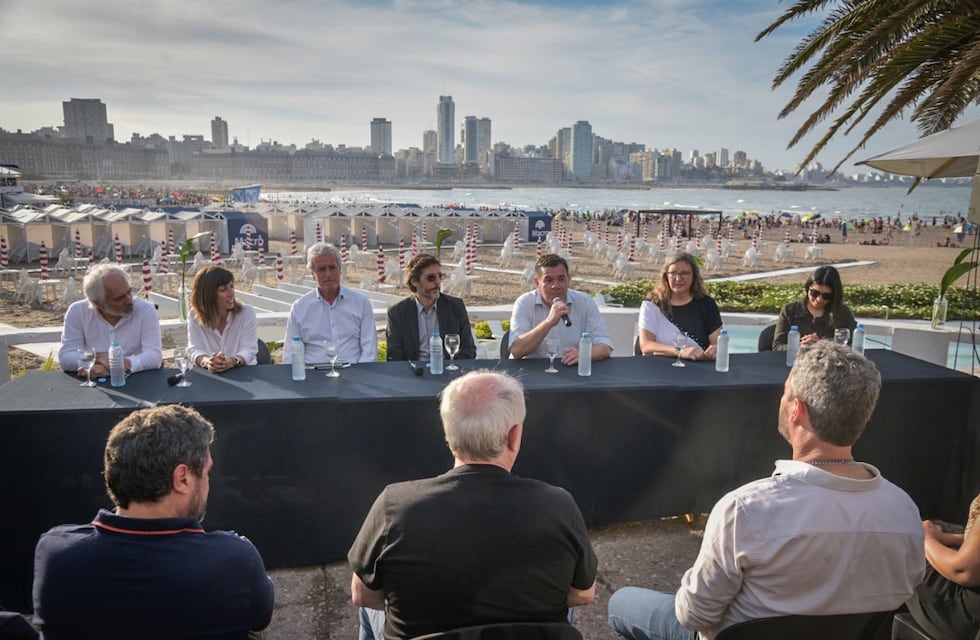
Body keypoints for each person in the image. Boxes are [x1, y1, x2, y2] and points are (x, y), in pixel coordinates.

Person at [607, 341, 925, 640]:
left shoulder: (745, 510)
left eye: (785, 393)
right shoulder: (904, 511)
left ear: (796, 410)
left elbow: (693, 615)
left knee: (621, 603)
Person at [348, 370, 598, 640]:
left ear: (448, 433)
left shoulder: (394, 506)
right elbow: (583, 594)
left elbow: (362, 595)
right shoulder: (558, 505)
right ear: (515, 436)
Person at [32, 405, 274, 639]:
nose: (208, 482)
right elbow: (260, 618)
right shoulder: (234, 558)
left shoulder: (54, 552)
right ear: (182, 478)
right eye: (207, 472)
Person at [58, 263, 163, 378]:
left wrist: (111, 368)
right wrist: (98, 357)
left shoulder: (145, 309)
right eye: (120, 298)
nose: (129, 300)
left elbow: (154, 357)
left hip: (138, 380)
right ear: (99, 303)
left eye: (129, 292)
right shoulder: (78, 312)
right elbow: (66, 358)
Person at [508, 254, 613, 365]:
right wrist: (549, 322)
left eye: (561, 279)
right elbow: (517, 350)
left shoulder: (585, 302)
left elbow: (605, 347)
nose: (556, 286)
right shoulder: (524, 303)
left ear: (568, 279)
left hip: (570, 369)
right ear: (537, 283)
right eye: (548, 280)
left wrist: (583, 354)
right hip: (531, 371)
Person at [283, 242, 377, 364]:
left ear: (340, 270)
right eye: (321, 269)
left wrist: (361, 377)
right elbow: (290, 354)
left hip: (355, 373)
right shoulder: (299, 308)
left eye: (332, 268)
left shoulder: (361, 302)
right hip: (313, 376)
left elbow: (369, 351)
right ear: (313, 274)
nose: (328, 274)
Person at [905, 494, 980, 638]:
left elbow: (964, 571)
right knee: (936, 525)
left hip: (964, 612)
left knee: (903, 535)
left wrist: (925, 538)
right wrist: (944, 538)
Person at [385, 253, 477, 362]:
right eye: (431, 278)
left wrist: (451, 369)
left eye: (440, 276)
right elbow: (394, 356)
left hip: (448, 372)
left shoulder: (455, 307)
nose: (437, 282)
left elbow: (468, 350)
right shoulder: (397, 313)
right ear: (414, 281)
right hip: (413, 373)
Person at [637, 252, 722, 361]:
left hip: (698, 369)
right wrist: (680, 351)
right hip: (658, 369)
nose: (678, 278)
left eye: (685, 273)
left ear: (694, 276)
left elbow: (717, 343)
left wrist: (716, 349)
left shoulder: (706, 304)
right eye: (673, 273)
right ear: (666, 276)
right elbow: (646, 346)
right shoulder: (651, 305)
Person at [187, 265, 258, 372]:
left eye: (231, 287)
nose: (231, 293)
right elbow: (195, 350)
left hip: (245, 374)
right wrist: (208, 362)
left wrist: (232, 362)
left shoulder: (246, 313)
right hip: (210, 378)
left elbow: (249, 350)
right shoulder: (194, 316)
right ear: (208, 295)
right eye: (223, 290)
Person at [772, 265, 857, 351]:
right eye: (814, 293)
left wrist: (821, 344)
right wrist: (800, 346)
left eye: (826, 296)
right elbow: (777, 346)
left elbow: (853, 343)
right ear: (807, 288)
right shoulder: (790, 310)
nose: (819, 299)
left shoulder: (843, 313)